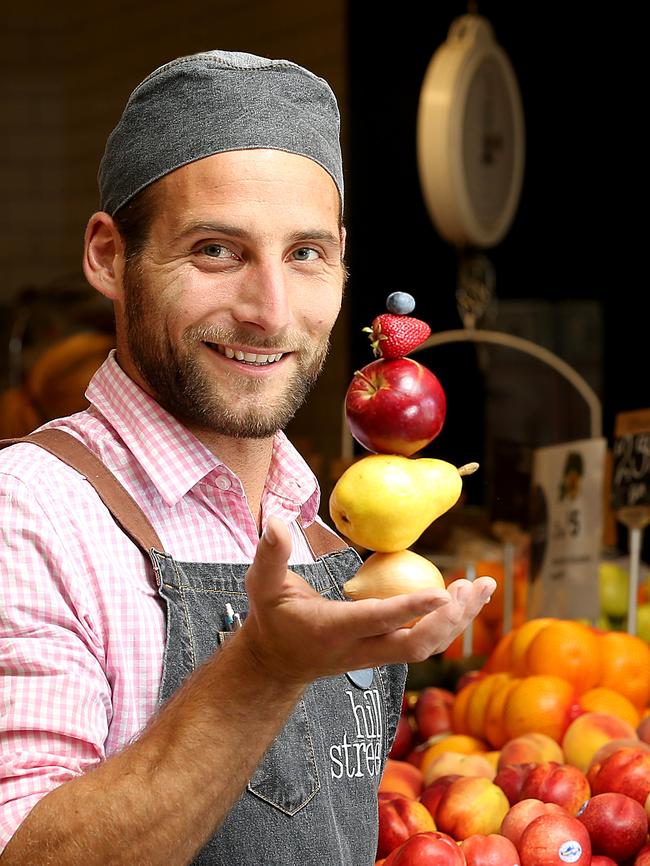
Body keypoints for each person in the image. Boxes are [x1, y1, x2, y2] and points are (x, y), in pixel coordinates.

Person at [0, 49, 495, 865]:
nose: (270, 313)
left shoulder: (325, 529)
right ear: (108, 256)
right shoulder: (33, 515)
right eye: (216, 251)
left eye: (304, 254)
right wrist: (261, 669)